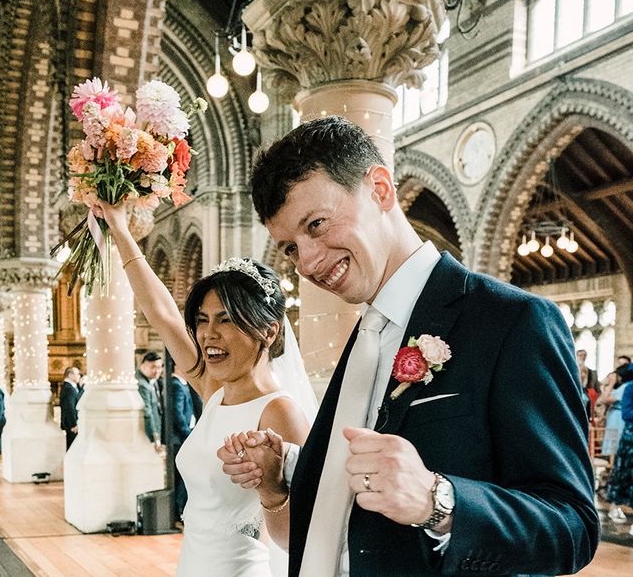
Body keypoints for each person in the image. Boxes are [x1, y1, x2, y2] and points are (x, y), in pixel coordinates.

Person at [219, 116, 599, 576]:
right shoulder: (364, 339)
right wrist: (282, 475)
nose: (308, 262)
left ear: (380, 189)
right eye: (291, 249)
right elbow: (344, 514)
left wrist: (439, 501)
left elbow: (572, 527)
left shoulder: (511, 322)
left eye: (317, 224)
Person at [95, 198, 316, 577]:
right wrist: (119, 228)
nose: (208, 334)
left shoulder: (280, 412)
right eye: (202, 319)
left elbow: (307, 532)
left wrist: (272, 487)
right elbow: (162, 314)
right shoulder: (215, 391)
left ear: (268, 330)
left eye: (226, 319)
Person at [605, 377, 633, 534]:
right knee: (624, 475)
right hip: (631, 437)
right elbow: (627, 414)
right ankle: (614, 506)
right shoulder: (630, 388)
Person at [171, 363, 195, 522]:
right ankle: (179, 509)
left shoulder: (184, 384)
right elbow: (178, 414)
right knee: (182, 475)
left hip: (189, 432)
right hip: (182, 437)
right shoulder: (176, 385)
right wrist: (188, 434)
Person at [136, 351, 164, 450]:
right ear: (143, 366)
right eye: (153, 367)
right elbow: (147, 413)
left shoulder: (154, 380)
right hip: (146, 434)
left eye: (159, 367)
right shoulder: (141, 384)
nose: (157, 371)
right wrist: (155, 437)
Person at [60, 366, 82, 451]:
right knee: (73, 448)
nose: (79, 376)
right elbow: (70, 407)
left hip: (71, 423)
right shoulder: (69, 388)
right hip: (71, 425)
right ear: (70, 375)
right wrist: (73, 424)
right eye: (77, 374)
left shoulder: (70, 387)